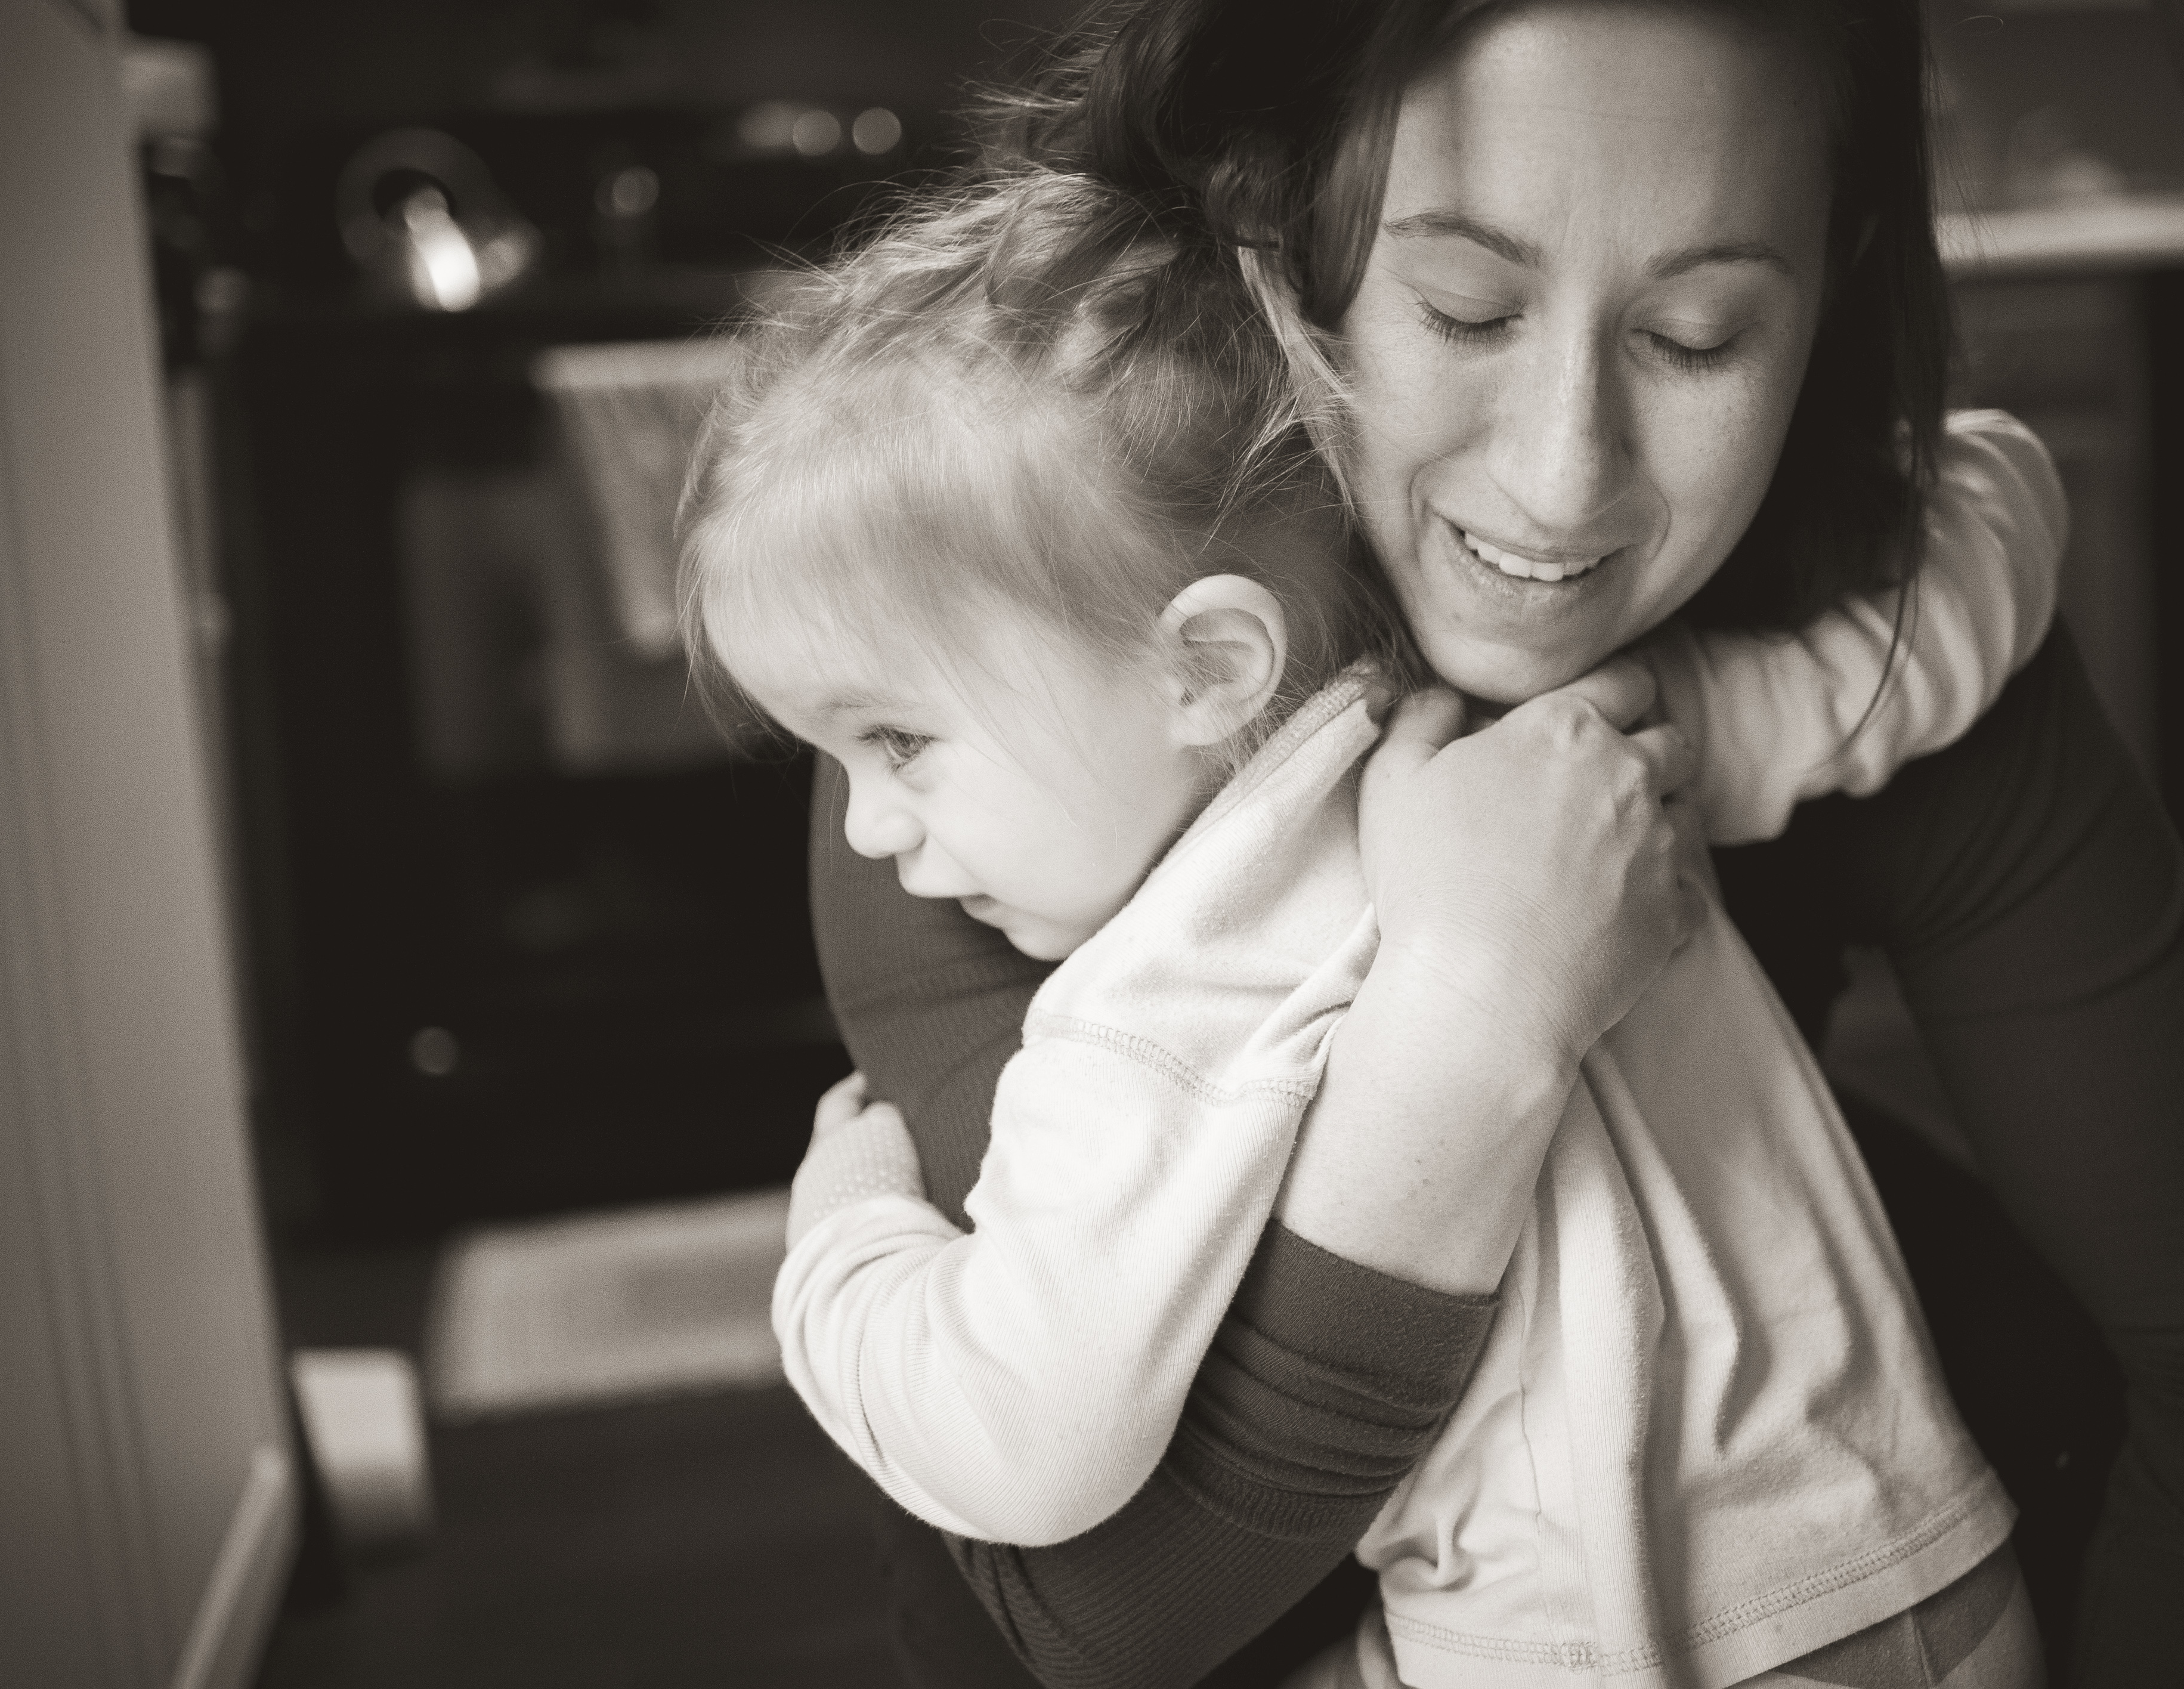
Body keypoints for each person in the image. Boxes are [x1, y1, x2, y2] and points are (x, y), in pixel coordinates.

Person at [802, 2, 2184, 1685]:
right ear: (1262, 230)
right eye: (1465, 307)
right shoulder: (995, 724)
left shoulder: (1856, 628)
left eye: (1699, 338)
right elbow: (1101, 1615)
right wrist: (1478, 1021)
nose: (1564, 479)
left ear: (1836, 283)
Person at [688, 165, 2064, 1685]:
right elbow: (1966, 584)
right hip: (1940, 1572)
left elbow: (1016, 1443)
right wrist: (1699, 681)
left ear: (1209, 666)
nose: (868, 833)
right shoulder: (1567, 745)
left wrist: (845, 1231)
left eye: (895, 742)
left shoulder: (1151, 1011)